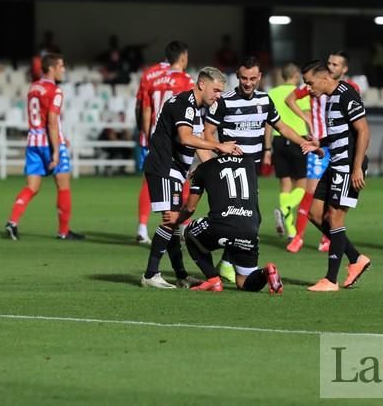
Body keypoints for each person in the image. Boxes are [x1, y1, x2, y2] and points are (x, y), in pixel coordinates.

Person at [204, 56, 316, 282]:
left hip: (251, 171)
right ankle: (218, 262)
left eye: (252, 78)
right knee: (241, 220)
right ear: (238, 76)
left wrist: (303, 142)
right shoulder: (223, 101)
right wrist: (219, 153)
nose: (248, 83)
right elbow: (207, 132)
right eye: (244, 78)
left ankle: (226, 263)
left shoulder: (265, 100)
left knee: (249, 220)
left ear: (260, 78)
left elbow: (282, 126)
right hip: (231, 171)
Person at [141, 67, 241, 289]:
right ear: (202, 84)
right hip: (164, 167)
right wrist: (219, 145)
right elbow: (186, 139)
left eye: (221, 92)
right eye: (215, 90)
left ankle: (180, 275)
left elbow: (199, 148)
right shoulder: (184, 104)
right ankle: (150, 275)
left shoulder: (196, 109)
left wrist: (217, 170)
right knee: (171, 219)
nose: (218, 96)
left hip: (175, 171)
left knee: (175, 224)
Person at [301, 60, 372, 292]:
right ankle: (355, 258)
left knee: (335, 219)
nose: (308, 88)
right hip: (334, 164)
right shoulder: (329, 99)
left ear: (324, 78)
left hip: (348, 167)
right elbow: (340, 134)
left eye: (310, 83)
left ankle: (331, 280)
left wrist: (357, 167)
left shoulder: (346, 94)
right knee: (314, 214)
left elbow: (363, 130)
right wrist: (318, 143)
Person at [285, 51, 359, 253]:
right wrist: (305, 118)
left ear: (344, 69)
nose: (332, 66)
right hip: (320, 146)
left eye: (336, 64)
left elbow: (359, 126)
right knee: (311, 193)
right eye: (329, 63)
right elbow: (289, 99)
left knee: (336, 202)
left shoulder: (349, 90)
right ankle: (299, 237)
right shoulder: (314, 85)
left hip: (341, 148)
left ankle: (329, 240)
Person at [5, 53, 84, 241]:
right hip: (48, 142)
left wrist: (62, 136)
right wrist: (57, 150)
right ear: (51, 68)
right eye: (61, 66)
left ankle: (12, 221)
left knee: (32, 186)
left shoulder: (34, 87)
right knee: (63, 185)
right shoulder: (55, 91)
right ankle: (64, 232)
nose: (63, 70)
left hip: (33, 142)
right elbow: (52, 122)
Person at [178, 155, 283, 294]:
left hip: (221, 226)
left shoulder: (204, 168)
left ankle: (213, 280)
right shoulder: (249, 163)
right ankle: (266, 272)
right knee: (244, 283)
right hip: (249, 229)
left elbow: (190, 208)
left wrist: (175, 221)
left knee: (190, 233)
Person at [134, 41, 193, 244]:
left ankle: (142, 228)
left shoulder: (153, 78)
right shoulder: (187, 81)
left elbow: (145, 109)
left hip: (153, 137)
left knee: (149, 182)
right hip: (175, 139)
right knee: (181, 180)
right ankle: (182, 227)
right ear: (183, 57)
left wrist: (147, 135)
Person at [266, 63, 310, 244]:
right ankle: (285, 210)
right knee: (302, 183)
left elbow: (268, 124)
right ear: (295, 75)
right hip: (298, 138)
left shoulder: (272, 94)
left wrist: (267, 149)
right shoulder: (300, 93)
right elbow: (307, 117)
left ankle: (291, 231)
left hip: (278, 140)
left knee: (285, 183)